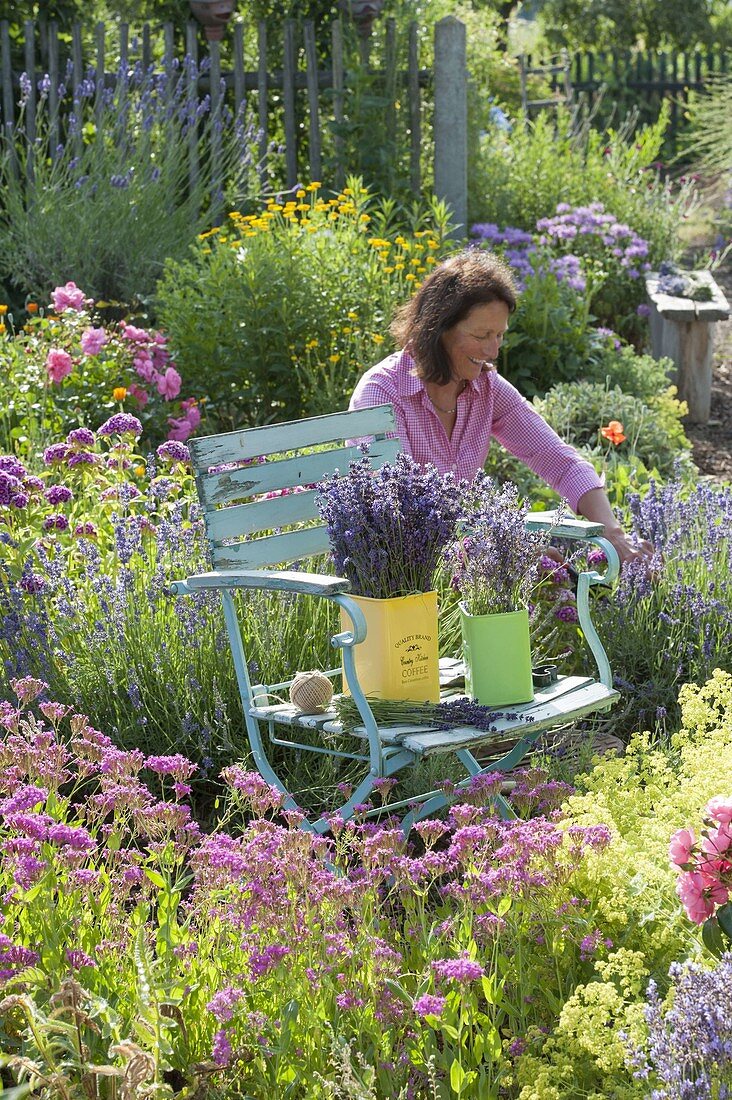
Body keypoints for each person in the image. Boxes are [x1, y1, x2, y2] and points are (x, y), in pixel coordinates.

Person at [349, 249, 653, 567]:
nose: (493, 350)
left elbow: (560, 462)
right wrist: (500, 550)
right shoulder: (382, 393)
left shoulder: (485, 388)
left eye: (499, 335)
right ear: (437, 331)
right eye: (481, 335)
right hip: (394, 574)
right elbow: (394, 513)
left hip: (464, 562)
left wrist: (615, 538)